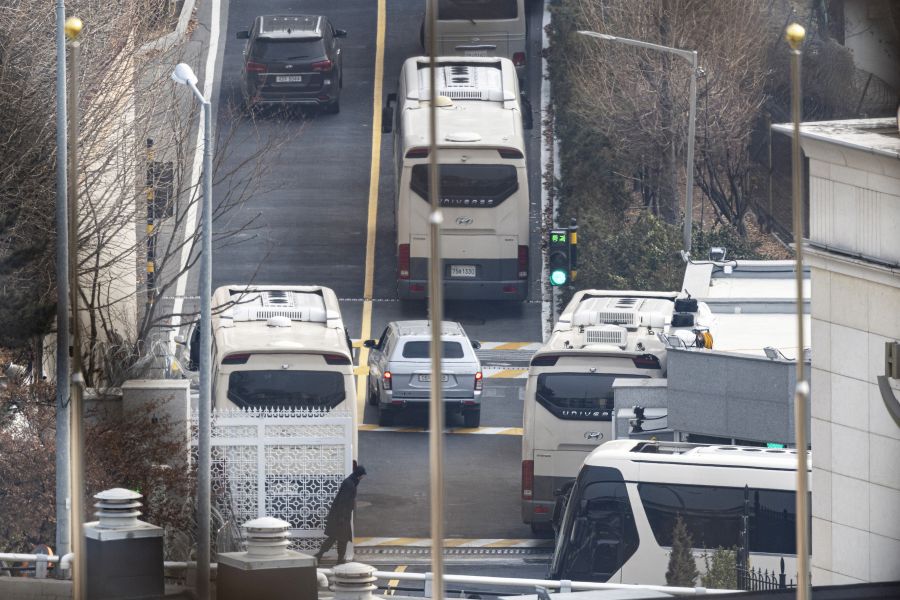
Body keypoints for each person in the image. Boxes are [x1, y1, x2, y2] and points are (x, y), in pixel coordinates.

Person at [314, 464, 366, 564]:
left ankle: (327, 556)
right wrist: (342, 517)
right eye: (363, 475)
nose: (363, 477)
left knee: (337, 538)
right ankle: (334, 558)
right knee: (341, 538)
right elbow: (343, 501)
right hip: (340, 517)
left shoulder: (351, 482)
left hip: (341, 516)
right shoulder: (349, 484)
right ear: (359, 475)